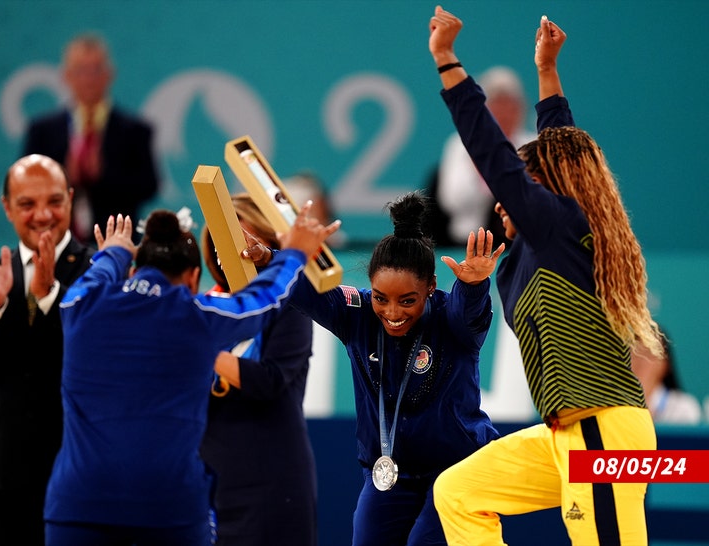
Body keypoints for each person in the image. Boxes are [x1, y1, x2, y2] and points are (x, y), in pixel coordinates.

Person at [428, 8, 664, 546]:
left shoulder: (558, 227)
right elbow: (560, 146)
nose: (507, 197)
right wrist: (547, 71)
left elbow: (496, 156)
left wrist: (446, 60)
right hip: (569, 433)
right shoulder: (544, 246)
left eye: (526, 184)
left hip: (605, 433)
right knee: (460, 493)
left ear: (551, 189)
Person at [43, 205, 338, 546]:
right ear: (193, 278)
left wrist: (114, 254)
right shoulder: (195, 318)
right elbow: (262, 301)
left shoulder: (81, 304)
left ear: (134, 267)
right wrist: (292, 254)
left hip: (78, 505)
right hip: (168, 509)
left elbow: (97, 274)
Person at [249, 191, 503, 545]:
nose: (393, 313)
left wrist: (474, 285)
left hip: (457, 471)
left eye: (408, 300)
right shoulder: (357, 314)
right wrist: (268, 259)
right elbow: (307, 291)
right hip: (388, 474)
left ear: (430, 287)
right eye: (381, 297)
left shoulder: (452, 321)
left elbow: (470, 312)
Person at [0, 154, 96, 546]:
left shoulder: (98, 269)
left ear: (70, 199)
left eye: (54, 201)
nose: (43, 215)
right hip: (3, 467)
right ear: (7, 208)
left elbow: (91, 349)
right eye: (28, 204)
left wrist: (49, 297)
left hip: (75, 463)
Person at [199, 194, 317, 546]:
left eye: (242, 240)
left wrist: (199, 346)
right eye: (221, 240)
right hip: (208, 483)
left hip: (272, 481)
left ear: (268, 242)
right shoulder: (206, 308)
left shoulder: (293, 302)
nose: (231, 252)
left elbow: (270, 380)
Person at [22, 33, 159, 243]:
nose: (88, 80)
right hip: (55, 242)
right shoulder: (43, 131)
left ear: (109, 74)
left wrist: (105, 174)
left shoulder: (135, 131)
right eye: (80, 71)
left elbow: (149, 186)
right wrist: (64, 178)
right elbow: (26, 187)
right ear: (66, 76)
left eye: (95, 70)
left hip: (116, 244)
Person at [437, 66, 535, 248]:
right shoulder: (460, 145)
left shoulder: (534, 145)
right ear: (485, 110)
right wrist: (480, 169)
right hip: (468, 243)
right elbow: (452, 202)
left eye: (510, 105)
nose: (504, 113)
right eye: (498, 105)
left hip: (524, 242)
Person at [632, 329, 702, 425]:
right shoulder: (613, 403)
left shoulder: (684, 408)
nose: (641, 362)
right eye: (636, 353)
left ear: (665, 365)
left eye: (649, 354)